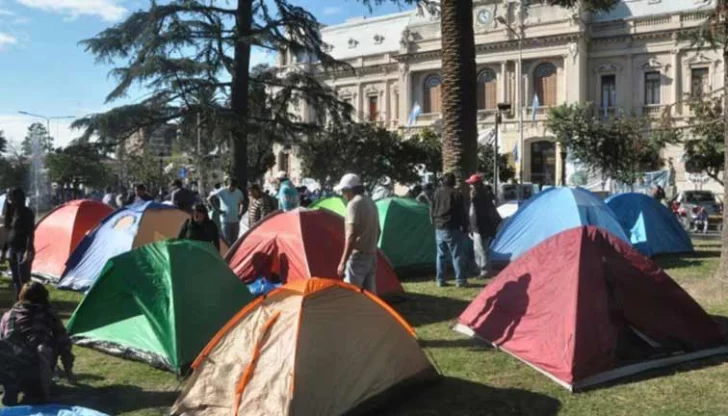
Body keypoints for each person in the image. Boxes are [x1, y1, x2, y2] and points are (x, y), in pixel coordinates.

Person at [0, 282, 75, 405]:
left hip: (10, 366)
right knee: (45, 347)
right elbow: (63, 342)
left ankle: (11, 388)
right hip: (37, 366)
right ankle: (41, 390)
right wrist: (68, 370)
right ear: (44, 296)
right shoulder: (48, 314)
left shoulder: (8, 315)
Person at [335, 174, 380, 293]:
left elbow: (351, 235)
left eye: (343, 191)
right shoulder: (371, 202)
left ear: (349, 190)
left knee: (351, 295)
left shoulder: (353, 204)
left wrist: (342, 262)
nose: (343, 195)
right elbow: (379, 230)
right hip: (371, 255)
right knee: (370, 297)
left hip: (358, 258)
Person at [431, 173, 468, 287]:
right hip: (452, 227)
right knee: (456, 255)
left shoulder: (436, 192)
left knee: (441, 255)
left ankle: (440, 280)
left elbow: (431, 208)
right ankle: (460, 280)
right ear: (453, 182)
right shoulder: (456, 193)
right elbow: (462, 212)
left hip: (439, 226)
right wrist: (465, 226)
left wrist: (433, 222)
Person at [1, 188, 35, 300]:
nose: (10, 200)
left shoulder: (27, 213)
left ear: (18, 199)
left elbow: (30, 233)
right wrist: (4, 251)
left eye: (12, 198)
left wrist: (28, 250)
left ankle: (28, 302)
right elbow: (9, 233)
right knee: (15, 279)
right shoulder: (11, 212)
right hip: (12, 248)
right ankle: (18, 302)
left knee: (24, 279)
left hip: (22, 249)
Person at [466, 174, 501, 279]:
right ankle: (480, 269)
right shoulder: (485, 194)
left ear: (476, 184)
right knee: (480, 248)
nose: (470, 187)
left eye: (471, 184)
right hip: (483, 226)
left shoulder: (477, 196)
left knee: (481, 249)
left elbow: (475, 214)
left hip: (480, 227)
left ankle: (484, 270)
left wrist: (473, 227)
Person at [208, 178, 245, 244]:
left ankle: (234, 254)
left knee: (235, 242)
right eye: (230, 186)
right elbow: (210, 198)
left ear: (236, 186)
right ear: (228, 185)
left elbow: (242, 203)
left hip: (235, 221)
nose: (232, 189)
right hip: (225, 221)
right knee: (226, 241)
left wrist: (240, 213)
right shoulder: (223, 190)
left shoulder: (239, 192)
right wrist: (217, 210)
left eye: (234, 187)